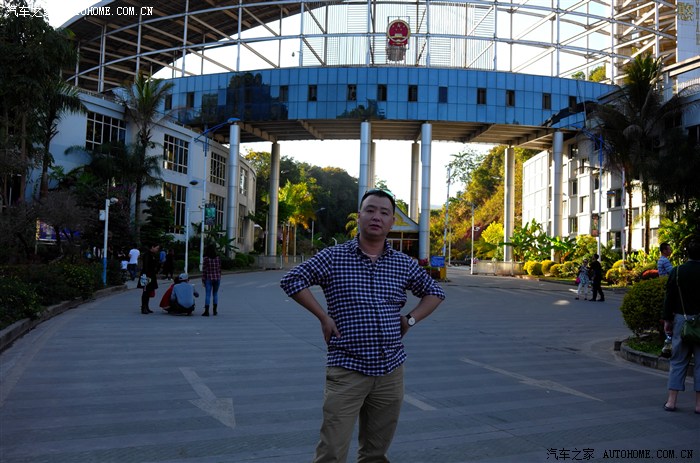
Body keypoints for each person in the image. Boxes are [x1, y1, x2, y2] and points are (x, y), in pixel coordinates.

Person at [280, 188, 446, 462]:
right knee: (332, 452)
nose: (376, 216)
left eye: (384, 212)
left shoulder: (403, 264)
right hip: (348, 368)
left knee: (375, 453)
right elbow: (292, 279)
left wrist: (410, 319)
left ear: (392, 222)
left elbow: (435, 292)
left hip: (390, 370)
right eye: (370, 210)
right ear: (359, 217)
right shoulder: (334, 257)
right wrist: (323, 316)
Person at [662, 237, 700, 414]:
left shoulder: (677, 272)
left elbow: (669, 299)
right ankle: (699, 405)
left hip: (681, 321)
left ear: (687, 253)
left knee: (678, 361)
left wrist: (667, 321)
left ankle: (671, 401)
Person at [138, 243, 160, 314]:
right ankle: (143, 307)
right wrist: (147, 276)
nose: (157, 250)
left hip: (151, 275)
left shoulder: (153, 255)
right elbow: (146, 266)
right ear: (152, 247)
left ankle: (147, 307)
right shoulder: (147, 254)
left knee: (149, 291)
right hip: (146, 275)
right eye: (157, 248)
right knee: (145, 291)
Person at [201, 244, 222, 316]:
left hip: (208, 278)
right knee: (215, 294)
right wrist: (219, 276)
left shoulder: (206, 259)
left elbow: (204, 270)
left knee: (208, 294)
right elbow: (219, 269)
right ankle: (215, 311)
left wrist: (203, 280)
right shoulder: (218, 258)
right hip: (217, 278)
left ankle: (206, 311)